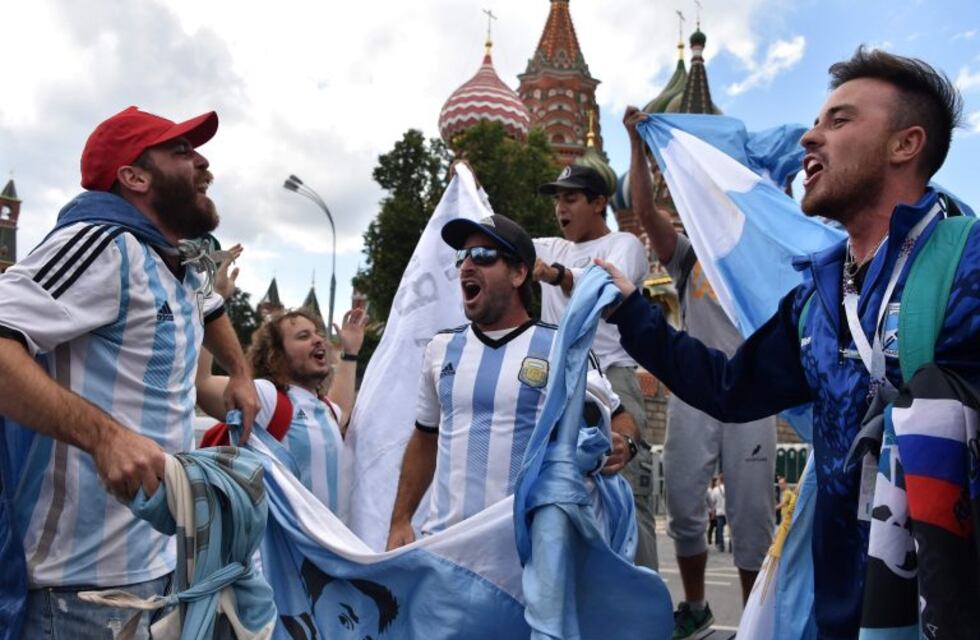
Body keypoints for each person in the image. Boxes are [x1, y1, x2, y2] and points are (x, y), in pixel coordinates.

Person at [600, 47, 978, 637]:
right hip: (841, 608)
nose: (808, 137)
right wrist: (631, 312)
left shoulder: (966, 259)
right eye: (816, 120)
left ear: (905, 144)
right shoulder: (817, 297)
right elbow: (728, 387)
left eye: (839, 121)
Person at [0, 106, 259, 637]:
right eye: (181, 151)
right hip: (77, 590)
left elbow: (210, 307)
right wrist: (106, 438)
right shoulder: (101, 244)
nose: (203, 161)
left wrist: (240, 371)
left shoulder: (177, 266)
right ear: (135, 177)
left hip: (158, 571)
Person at [386, 214, 636, 549]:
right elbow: (425, 437)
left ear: (519, 273)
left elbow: (619, 417)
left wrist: (624, 443)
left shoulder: (563, 350)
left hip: (525, 557)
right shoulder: (440, 349)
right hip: (445, 550)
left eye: (485, 256)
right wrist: (401, 519)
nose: (468, 266)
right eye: (463, 256)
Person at [622, 105, 777, 633]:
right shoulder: (691, 260)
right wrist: (637, 146)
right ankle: (695, 607)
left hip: (754, 395)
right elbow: (645, 215)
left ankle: (753, 621)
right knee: (685, 506)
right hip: (694, 391)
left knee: (753, 518)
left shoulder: (763, 260)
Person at [532, 164, 659, 571]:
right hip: (560, 384)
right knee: (557, 494)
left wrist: (554, 275)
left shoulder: (625, 244)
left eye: (570, 198)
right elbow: (498, 243)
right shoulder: (550, 246)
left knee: (624, 488)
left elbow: (602, 289)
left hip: (613, 379)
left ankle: (644, 619)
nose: (559, 208)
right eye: (556, 199)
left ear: (600, 203)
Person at [196, 304, 367, 512]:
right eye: (304, 336)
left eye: (318, 333)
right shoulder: (267, 397)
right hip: (283, 544)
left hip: (327, 543)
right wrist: (208, 305)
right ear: (276, 355)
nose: (318, 339)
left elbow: (343, 408)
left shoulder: (327, 409)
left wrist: (350, 353)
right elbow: (202, 385)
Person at [710, 475, 727, 553]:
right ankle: (732, 546)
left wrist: (713, 512)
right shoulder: (731, 489)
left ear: (719, 480)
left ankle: (721, 546)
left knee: (720, 530)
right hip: (729, 513)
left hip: (719, 512)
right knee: (732, 531)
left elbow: (712, 502)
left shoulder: (716, 490)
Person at [705, 476, 718, 546]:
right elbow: (711, 502)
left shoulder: (709, 490)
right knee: (713, 525)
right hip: (711, 511)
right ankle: (711, 539)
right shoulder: (710, 490)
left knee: (714, 525)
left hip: (712, 510)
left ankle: (713, 539)